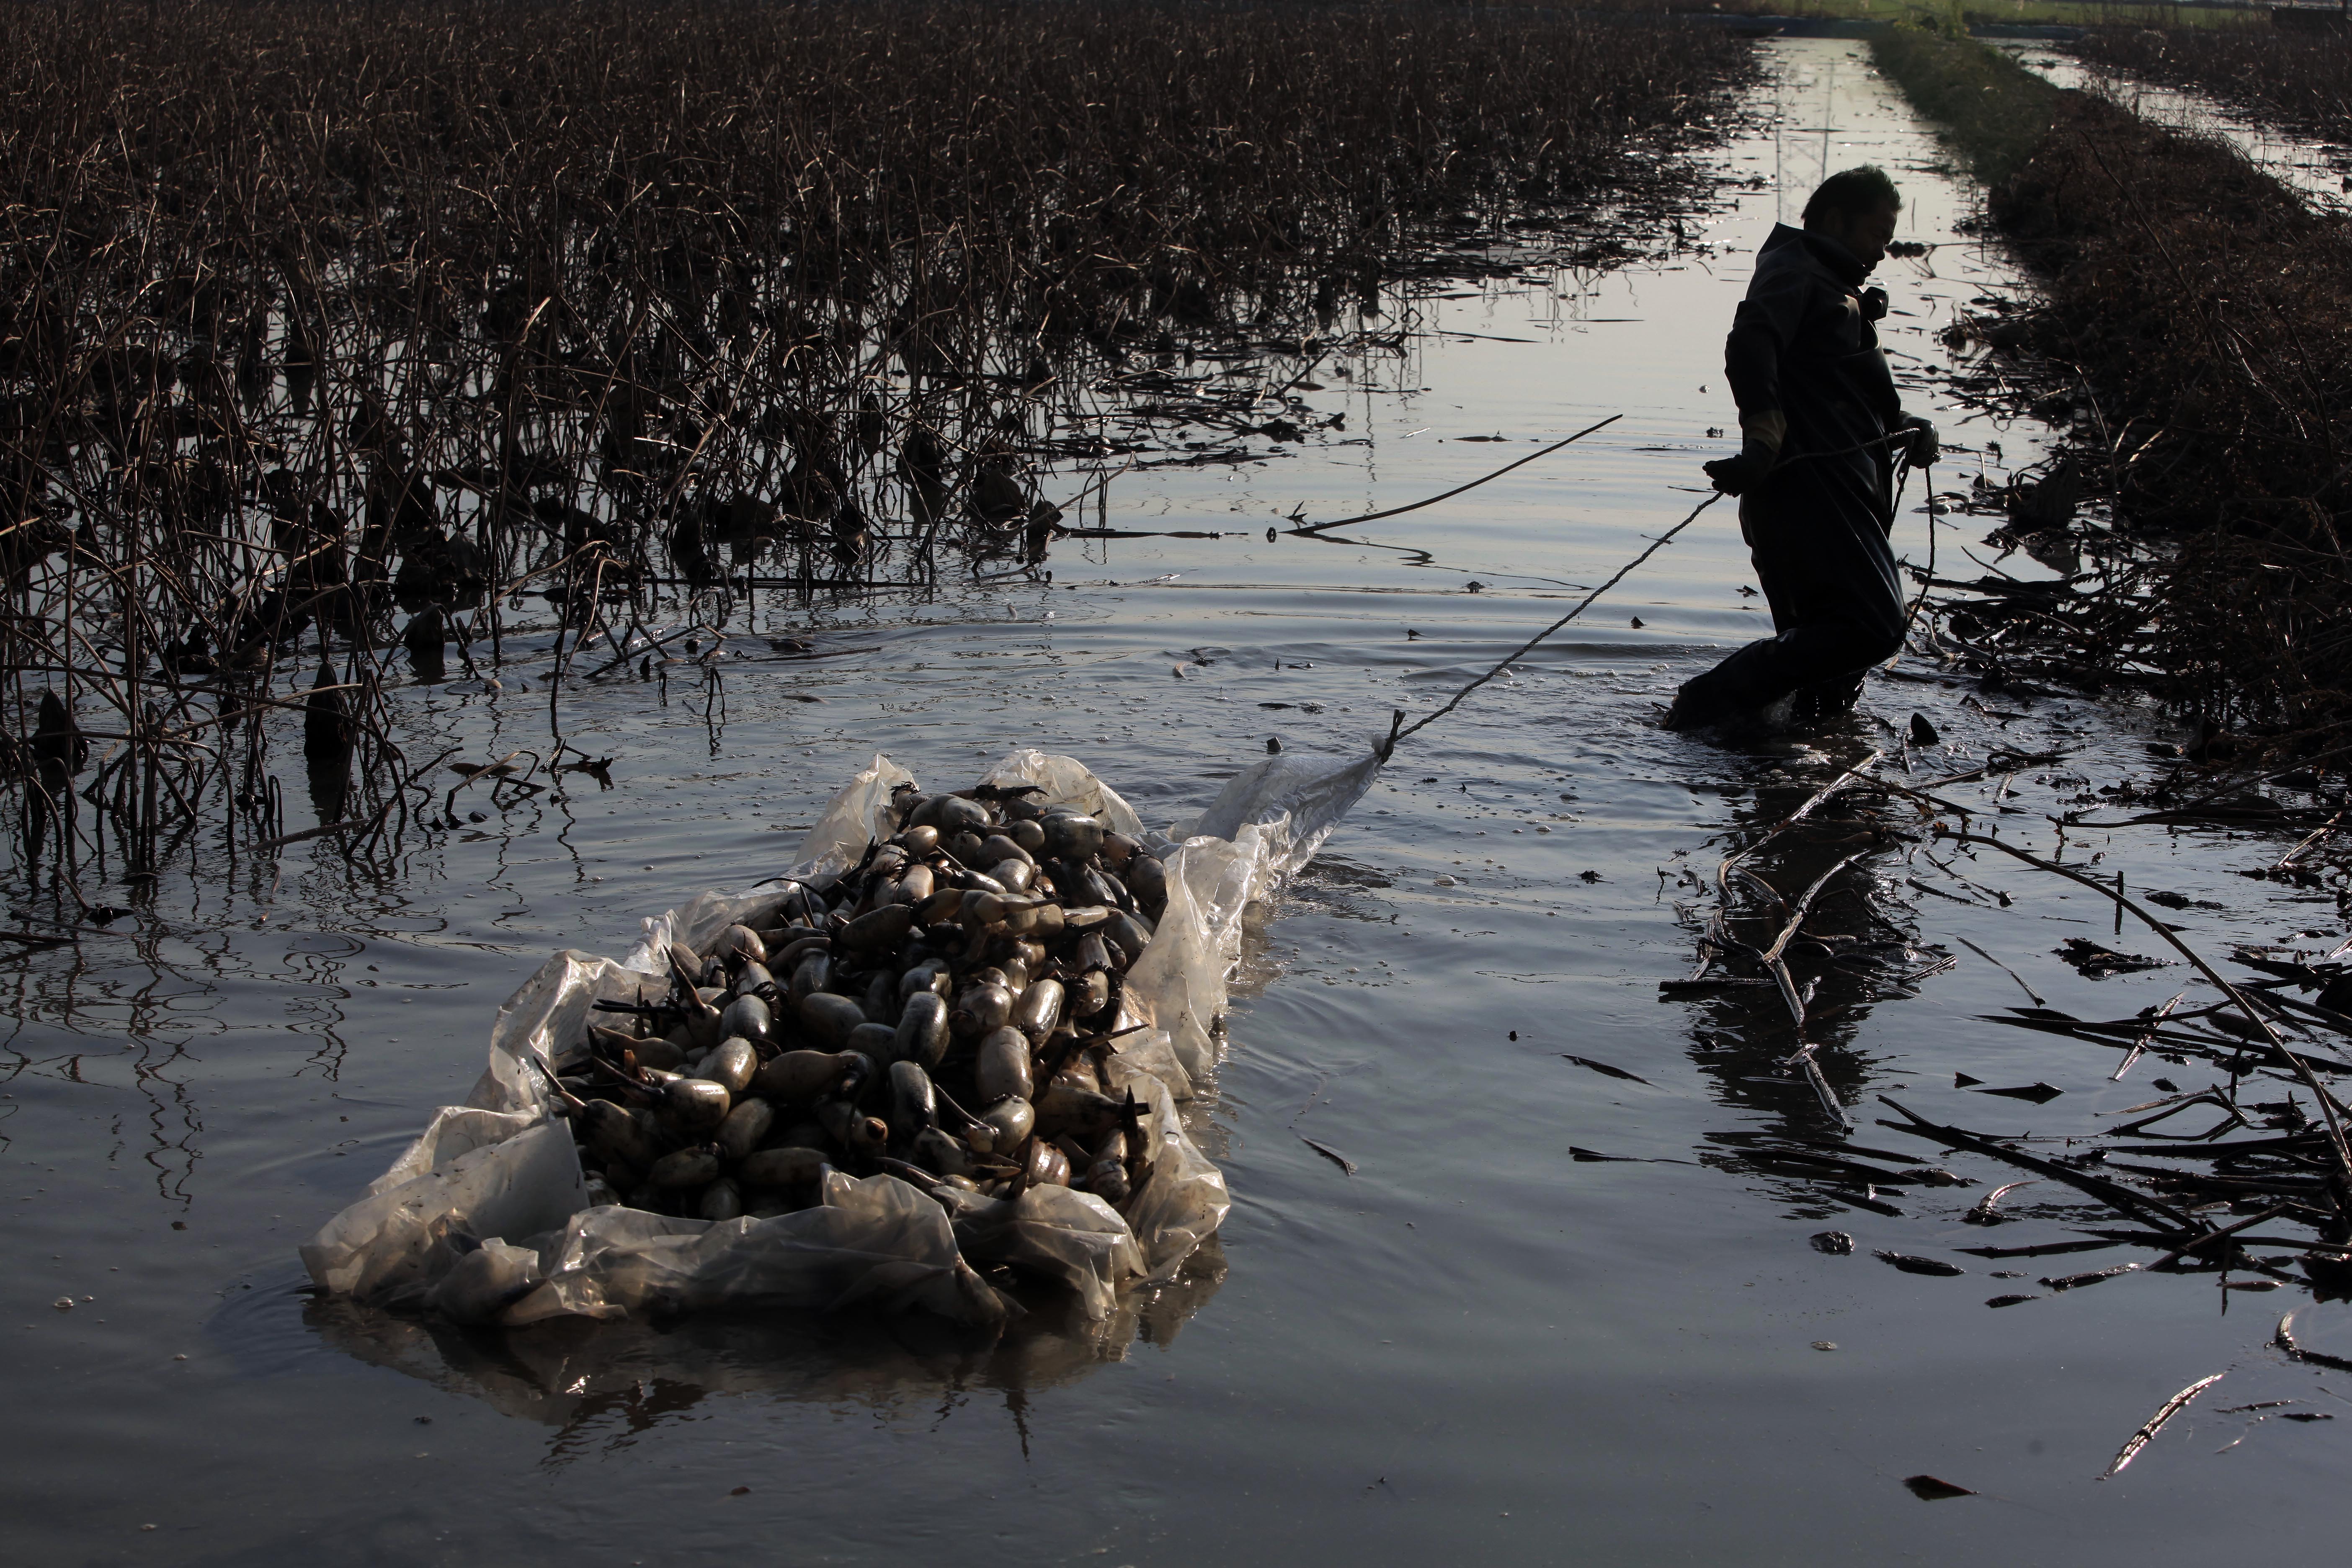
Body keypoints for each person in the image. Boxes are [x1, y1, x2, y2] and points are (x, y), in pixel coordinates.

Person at [1663, 165, 1937, 732]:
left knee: (1827, 677)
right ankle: (1706, 703)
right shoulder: (1795, 272)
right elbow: (1751, 342)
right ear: (1836, 221)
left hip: (1840, 496)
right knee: (1873, 626)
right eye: (1876, 235)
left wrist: (1907, 425)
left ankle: (1789, 782)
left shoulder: (1836, 287)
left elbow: (1847, 395)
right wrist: (1762, 436)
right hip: (1807, 497)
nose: (1882, 252)